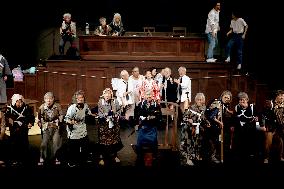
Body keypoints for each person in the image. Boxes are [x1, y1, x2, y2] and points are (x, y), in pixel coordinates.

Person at [64, 90, 94, 167]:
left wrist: (93, 115)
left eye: (82, 97)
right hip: (73, 130)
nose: (80, 99)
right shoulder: (72, 108)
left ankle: (84, 158)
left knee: (85, 144)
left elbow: (88, 113)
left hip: (82, 128)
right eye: (78, 98)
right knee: (74, 147)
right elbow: (66, 118)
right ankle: (72, 161)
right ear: (75, 99)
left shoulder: (86, 106)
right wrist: (71, 122)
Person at [5, 94, 35, 166]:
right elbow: (7, 118)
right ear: (14, 102)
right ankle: (14, 159)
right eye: (18, 102)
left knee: (24, 143)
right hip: (14, 129)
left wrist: (31, 123)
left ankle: (24, 159)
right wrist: (10, 121)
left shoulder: (26, 108)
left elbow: (31, 117)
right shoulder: (9, 109)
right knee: (14, 144)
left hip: (24, 128)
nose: (20, 103)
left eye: (21, 102)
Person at [135, 91, 162, 167]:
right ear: (144, 96)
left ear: (153, 96)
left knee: (153, 141)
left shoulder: (156, 105)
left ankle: (154, 156)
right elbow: (137, 115)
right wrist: (138, 122)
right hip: (143, 127)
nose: (148, 97)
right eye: (147, 95)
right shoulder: (140, 104)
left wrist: (153, 118)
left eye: (150, 95)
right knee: (139, 142)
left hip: (152, 127)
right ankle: (139, 156)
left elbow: (159, 116)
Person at [97, 88, 123, 166]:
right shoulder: (100, 102)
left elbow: (119, 111)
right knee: (103, 141)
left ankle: (115, 156)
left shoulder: (115, 101)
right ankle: (102, 157)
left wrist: (116, 115)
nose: (107, 95)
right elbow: (99, 113)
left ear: (111, 95)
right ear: (103, 95)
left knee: (114, 140)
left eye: (109, 94)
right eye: (106, 93)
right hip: (104, 125)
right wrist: (105, 115)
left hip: (114, 124)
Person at [37, 92, 64, 166]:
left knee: (56, 142)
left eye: (50, 99)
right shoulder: (42, 107)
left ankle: (56, 157)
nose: (48, 101)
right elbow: (39, 118)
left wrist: (60, 122)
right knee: (44, 142)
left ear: (53, 99)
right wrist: (41, 125)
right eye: (46, 99)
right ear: (44, 100)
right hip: (46, 127)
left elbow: (61, 115)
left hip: (55, 126)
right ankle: (42, 157)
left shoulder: (57, 106)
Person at [180, 93, 206, 166]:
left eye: (201, 100)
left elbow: (204, 118)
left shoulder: (204, 108)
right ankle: (187, 159)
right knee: (188, 143)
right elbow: (184, 117)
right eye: (198, 99)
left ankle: (194, 156)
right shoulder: (191, 108)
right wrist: (189, 120)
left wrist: (207, 123)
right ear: (195, 100)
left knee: (197, 143)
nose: (200, 101)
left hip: (198, 129)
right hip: (189, 128)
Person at [233, 92, 259, 162]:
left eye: (244, 99)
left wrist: (258, 127)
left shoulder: (252, 107)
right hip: (240, 130)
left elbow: (257, 119)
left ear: (247, 100)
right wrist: (233, 126)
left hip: (250, 130)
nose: (242, 101)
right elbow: (234, 119)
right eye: (240, 100)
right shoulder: (236, 107)